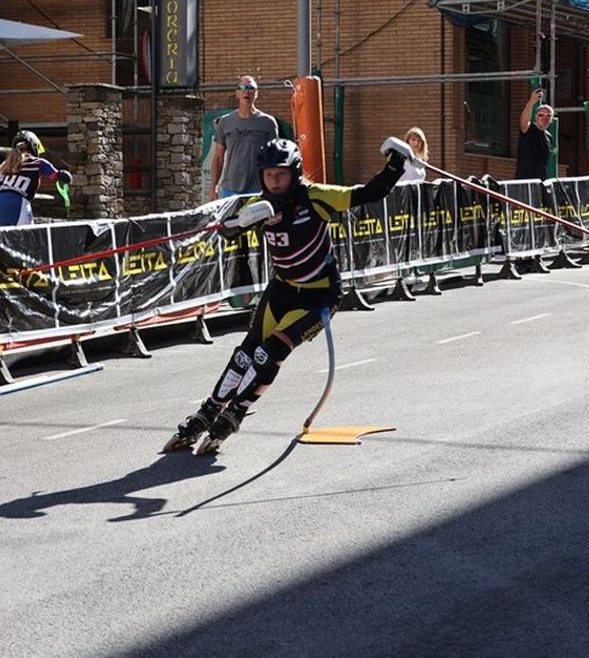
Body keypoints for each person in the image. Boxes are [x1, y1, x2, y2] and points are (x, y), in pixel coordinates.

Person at [163, 135, 416, 455]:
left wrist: (395, 163)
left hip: (320, 295)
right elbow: (226, 231)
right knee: (246, 353)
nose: (275, 181)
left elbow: (368, 194)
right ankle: (208, 411)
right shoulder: (261, 204)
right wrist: (240, 221)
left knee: (268, 353)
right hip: (282, 288)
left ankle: (235, 413)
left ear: (294, 173)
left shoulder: (315, 196)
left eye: (281, 174)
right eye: (269, 175)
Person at [210, 75, 279, 200]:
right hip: (230, 188)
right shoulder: (225, 122)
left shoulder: (268, 122)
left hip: (258, 188)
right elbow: (218, 157)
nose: (246, 91)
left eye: (251, 88)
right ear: (237, 93)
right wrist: (213, 188)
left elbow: (274, 158)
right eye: (243, 88)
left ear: (256, 94)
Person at [0, 130, 72, 227]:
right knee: (28, 238)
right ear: (34, 146)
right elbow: (62, 176)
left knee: (5, 240)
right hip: (18, 203)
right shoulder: (38, 162)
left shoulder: (7, 163)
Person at [516, 88, 553, 181]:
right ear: (536, 117)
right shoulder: (529, 129)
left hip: (541, 181)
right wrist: (531, 102)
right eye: (541, 115)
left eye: (548, 116)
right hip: (524, 181)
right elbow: (524, 121)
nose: (544, 118)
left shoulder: (548, 136)